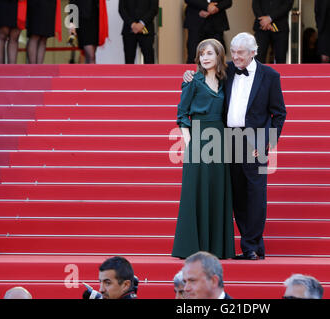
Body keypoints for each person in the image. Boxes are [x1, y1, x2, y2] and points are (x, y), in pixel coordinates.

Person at [184, 32, 287, 261]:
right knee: (237, 194)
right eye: (233, 52)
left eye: (241, 52)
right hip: (226, 137)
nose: (236, 57)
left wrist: (267, 141)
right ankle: (249, 245)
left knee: (256, 194)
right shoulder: (227, 70)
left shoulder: (270, 75)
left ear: (253, 52)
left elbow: (279, 113)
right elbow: (205, 73)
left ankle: (252, 245)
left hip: (255, 140)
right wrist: (189, 74)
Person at [172, 38, 236, 260]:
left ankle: (217, 248)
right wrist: (190, 144)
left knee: (217, 192)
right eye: (202, 54)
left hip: (220, 141)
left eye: (210, 53)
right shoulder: (193, 81)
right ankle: (190, 248)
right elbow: (182, 115)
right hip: (198, 139)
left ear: (219, 55)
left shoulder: (226, 81)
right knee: (194, 193)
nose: (205, 58)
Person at [118, 0, 159, 64]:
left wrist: (142, 23)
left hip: (146, 29)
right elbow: (121, 9)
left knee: (149, 60)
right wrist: (132, 24)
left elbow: (154, 9)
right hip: (129, 29)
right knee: (129, 62)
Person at [26, 0, 61, 64]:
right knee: (34, 35)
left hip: (50, 4)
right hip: (36, 4)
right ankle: (32, 68)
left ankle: (39, 69)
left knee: (44, 37)